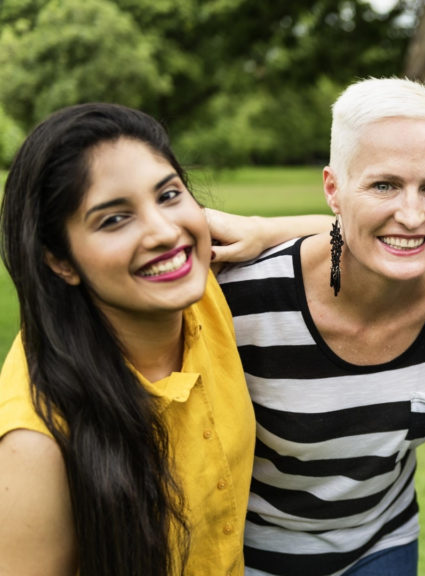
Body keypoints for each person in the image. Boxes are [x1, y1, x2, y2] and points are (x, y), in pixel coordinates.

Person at [214, 78, 425, 575]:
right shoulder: (243, 301)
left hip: (385, 544)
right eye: (383, 185)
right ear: (333, 189)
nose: (412, 214)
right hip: (254, 554)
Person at [0, 103, 255, 575]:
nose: (163, 232)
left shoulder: (198, 287)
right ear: (60, 261)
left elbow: (394, 233)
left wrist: (264, 230)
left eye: (169, 195)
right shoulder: (32, 443)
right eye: (114, 219)